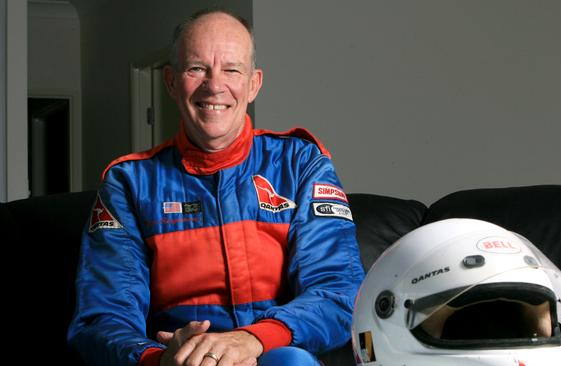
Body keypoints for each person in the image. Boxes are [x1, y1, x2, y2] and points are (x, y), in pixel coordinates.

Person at [67, 8, 365, 366]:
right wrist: (157, 359)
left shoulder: (301, 164)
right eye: (197, 68)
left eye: (231, 69)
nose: (214, 85)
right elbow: (101, 319)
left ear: (253, 84)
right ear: (171, 82)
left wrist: (252, 340)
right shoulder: (128, 184)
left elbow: (339, 293)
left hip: (278, 356)